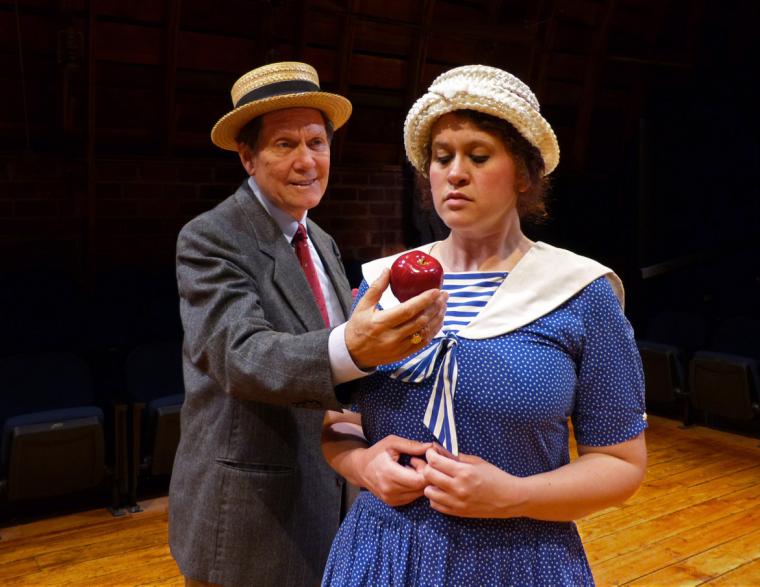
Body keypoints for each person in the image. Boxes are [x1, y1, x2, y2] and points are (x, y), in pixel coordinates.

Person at [320, 64, 648, 586]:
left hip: (517, 555)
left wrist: (512, 494)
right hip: (385, 552)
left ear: (523, 172)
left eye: (478, 156)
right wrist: (361, 468)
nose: (454, 172)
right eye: (441, 157)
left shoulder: (579, 292)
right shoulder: (380, 285)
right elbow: (336, 420)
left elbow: (621, 463)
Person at [168, 62, 448, 587]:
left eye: (316, 142)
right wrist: (356, 348)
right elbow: (240, 355)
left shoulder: (319, 239)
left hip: (328, 494)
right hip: (249, 513)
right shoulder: (210, 238)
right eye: (284, 144)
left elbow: (340, 370)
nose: (306, 161)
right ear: (247, 156)